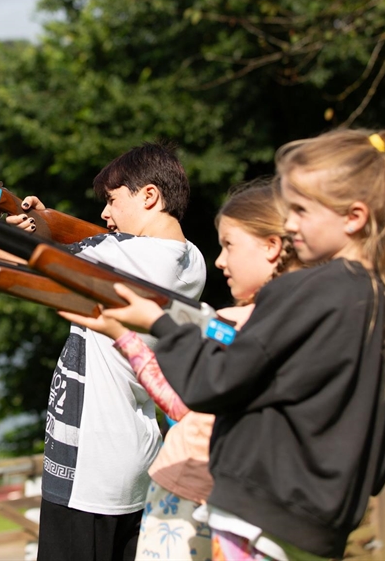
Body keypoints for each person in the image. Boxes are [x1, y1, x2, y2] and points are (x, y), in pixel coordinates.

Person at [69, 129, 385, 560]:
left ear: (354, 217)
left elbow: (214, 384)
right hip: (318, 527)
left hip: (259, 521)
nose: (289, 225)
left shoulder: (308, 292)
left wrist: (158, 324)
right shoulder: (382, 300)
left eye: (302, 211)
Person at [67, 180, 301, 561]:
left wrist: (125, 335)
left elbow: (180, 405)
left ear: (272, 248)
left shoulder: (230, 326)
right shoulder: (300, 326)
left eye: (229, 246)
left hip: (192, 502)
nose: (220, 261)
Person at [14, 143, 207, 561]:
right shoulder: (191, 259)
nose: (106, 214)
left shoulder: (129, 257)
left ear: (150, 196)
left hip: (89, 468)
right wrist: (45, 223)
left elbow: (17, 257)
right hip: (132, 455)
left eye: (114, 200)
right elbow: (90, 243)